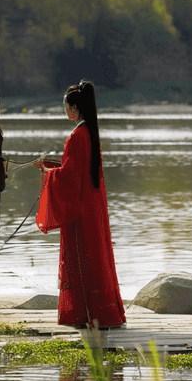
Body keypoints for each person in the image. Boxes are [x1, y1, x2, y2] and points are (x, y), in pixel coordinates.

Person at [33, 80, 126, 329]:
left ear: (74, 108)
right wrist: (53, 169)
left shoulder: (76, 137)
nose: (65, 112)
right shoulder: (90, 134)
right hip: (92, 208)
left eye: (66, 107)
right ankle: (102, 313)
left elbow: (69, 178)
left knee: (81, 260)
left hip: (80, 212)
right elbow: (75, 173)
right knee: (96, 258)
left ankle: (84, 314)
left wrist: (47, 173)